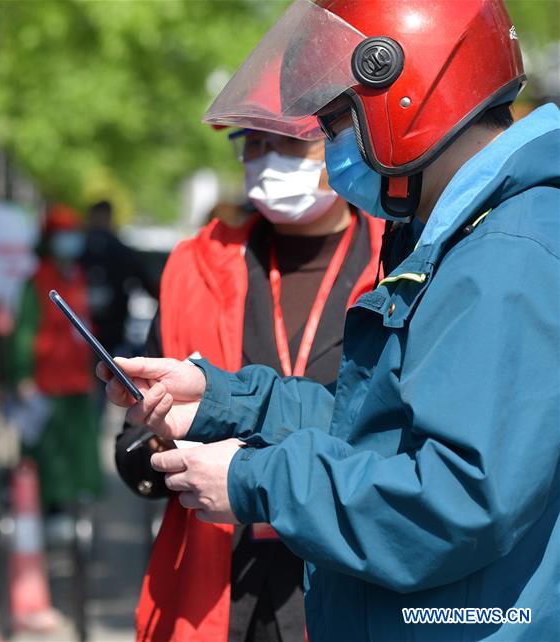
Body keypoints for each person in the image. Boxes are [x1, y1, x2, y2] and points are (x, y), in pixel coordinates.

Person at [101, 1, 559, 640]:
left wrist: (256, 479)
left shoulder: (504, 256)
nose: (334, 148)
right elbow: (379, 431)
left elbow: (456, 501)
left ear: (407, 96)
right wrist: (224, 402)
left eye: (339, 123)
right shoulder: (449, 235)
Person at [115, 127, 386, 642]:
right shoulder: (196, 266)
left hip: (347, 578)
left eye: (288, 142)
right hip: (218, 587)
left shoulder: (396, 260)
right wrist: (154, 445)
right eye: (253, 143)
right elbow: (135, 442)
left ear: (341, 141)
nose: (266, 159)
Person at [7, 204, 103, 517]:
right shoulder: (36, 282)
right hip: (46, 382)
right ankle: (46, 511)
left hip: (76, 379)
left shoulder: (77, 277)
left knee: (77, 449)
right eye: (64, 235)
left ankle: (74, 506)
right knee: (46, 454)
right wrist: (23, 375)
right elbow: (24, 330)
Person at [81, 200, 158, 355]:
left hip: (108, 326)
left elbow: (146, 282)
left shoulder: (116, 251)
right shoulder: (82, 248)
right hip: (90, 324)